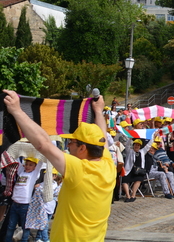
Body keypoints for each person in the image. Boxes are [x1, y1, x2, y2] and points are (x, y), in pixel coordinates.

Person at [3, 90, 116, 242]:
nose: (68, 145)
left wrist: (17, 111)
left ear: (82, 148)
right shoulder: (108, 165)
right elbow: (103, 138)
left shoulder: (80, 169)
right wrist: (98, 111)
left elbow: (43, 144)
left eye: (72, 142)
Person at [5, 156, 45, 242]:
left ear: (35, 167)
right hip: (15, 203)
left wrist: (37, 153)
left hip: (25, 205)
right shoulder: (21, 172)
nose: (27, 166)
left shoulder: (34, 174)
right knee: (10, 226)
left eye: (30, 165)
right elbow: (17, 161)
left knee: (25, 227)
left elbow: (41, 163)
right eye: (26, 164)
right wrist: (20, 152)